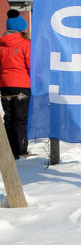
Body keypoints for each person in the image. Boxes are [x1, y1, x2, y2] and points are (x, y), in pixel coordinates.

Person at [1, 9, 31, 158]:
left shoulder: (1, 44)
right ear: (21, 28)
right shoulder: (25, 44)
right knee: (21, 118)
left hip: (5, 86)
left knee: (9, 118)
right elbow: (31, 65)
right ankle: (20, 150)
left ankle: (9, 151)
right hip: (22, 85)